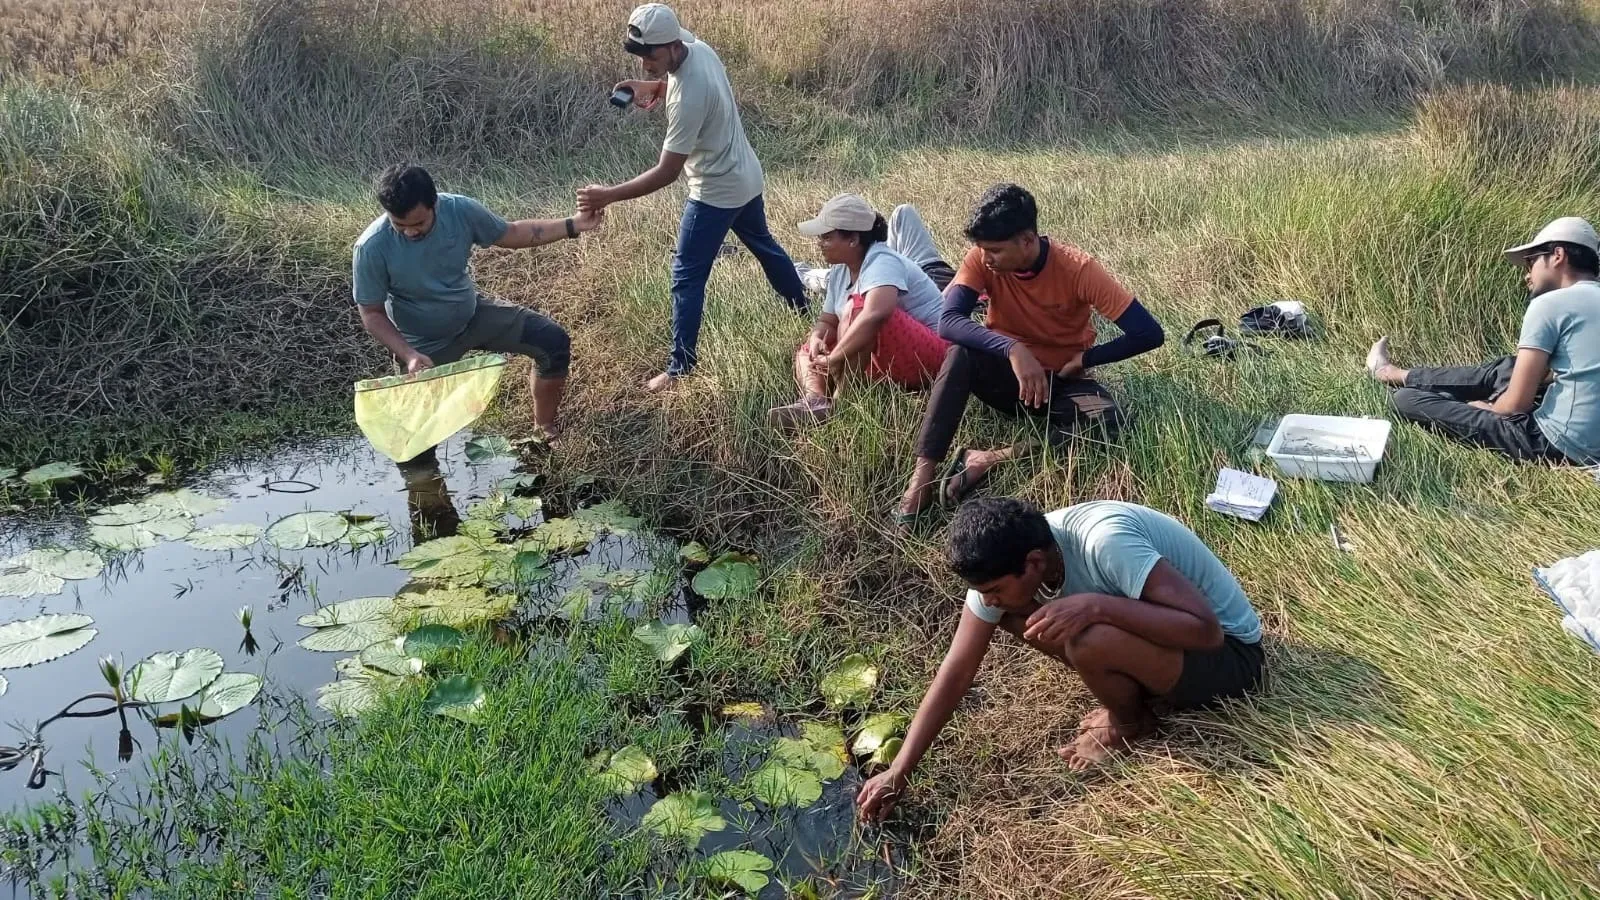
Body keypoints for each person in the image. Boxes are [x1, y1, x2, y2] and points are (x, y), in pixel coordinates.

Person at [856, 497, 1265, 822]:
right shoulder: (1002, 563)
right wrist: (900, 769)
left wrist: (1097, 607)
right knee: (1018, 614)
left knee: (1089, 637)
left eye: (994, 588)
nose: (988, 599)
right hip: (1168, 645)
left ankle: (1130, 723)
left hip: (1233, 659)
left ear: (1034, 562)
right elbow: (957, 671)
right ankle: (1131, 690)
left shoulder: (1104, 541)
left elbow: (1207, 632)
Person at [894, 184, 1165, 526]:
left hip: (1060, 381)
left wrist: (1085, 360)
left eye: (995, 250)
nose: (986, 258)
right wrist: (1012, 348)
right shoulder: (981, 259)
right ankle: (922, 478)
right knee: (961, 352)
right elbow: (948, 323)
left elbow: (1149, 333)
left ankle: (988, 458)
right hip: (1006, 374)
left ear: (1026, 240)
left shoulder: (1079, 269)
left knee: (1112, 425)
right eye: (982, 249)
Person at [577, 3, 809, 393]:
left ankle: (680, 367)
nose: (645, 63)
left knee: (686, 277)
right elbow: (695, 89)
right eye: (638, 56)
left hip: (716, 192)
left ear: (670, 45)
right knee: (764, 245)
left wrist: (608, 195)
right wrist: (655, 87)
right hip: (746, 175)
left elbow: (666, 172)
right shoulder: (700, 49)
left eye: (650, 55)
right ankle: (802, 310)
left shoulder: (686, 99)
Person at [352, 164, 598, 472]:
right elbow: (372, 313)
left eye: (418, 223)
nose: (410, 231)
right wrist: (409, 355)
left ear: (434, 204)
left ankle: (544, 427)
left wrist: (573, 225)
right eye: (399, 224)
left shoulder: (459, 210)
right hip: (423, 345)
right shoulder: (371, 247)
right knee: (415, 450)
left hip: (472, 314)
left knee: (552, 341)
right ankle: (429, 499)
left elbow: (511, 233)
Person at [1366, 216, 1600, 465]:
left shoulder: (1549, 304)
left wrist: (1488, 409)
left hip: (1561, 444)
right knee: (1508, 367)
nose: (1527, 275)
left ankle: (1395, 376)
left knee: (1406, 400)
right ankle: (1396, 373)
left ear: (1557, 255)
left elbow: (1515, 407)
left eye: (1530, 262)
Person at [767, 195, 952, 428]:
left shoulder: (882, 261)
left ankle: (844, 400)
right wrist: (817, 337)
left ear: (853, 239)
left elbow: (877, 313)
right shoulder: (840, 272)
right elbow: (827, 320)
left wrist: (836, 357)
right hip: (890, 354)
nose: (819, 243)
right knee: (807, 351)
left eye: (826, 237)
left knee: (860, 311)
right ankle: (815, 401)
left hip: (936, 358)